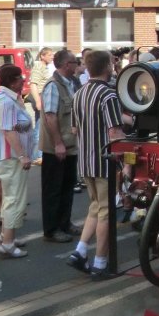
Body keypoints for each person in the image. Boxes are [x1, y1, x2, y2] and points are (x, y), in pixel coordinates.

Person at [68, 50, 127, 279]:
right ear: (108, 68)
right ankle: (100, 263)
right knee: (106, 212)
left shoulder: (79, 93)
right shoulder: (108, 95)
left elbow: (74, 129)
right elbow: (115, 132)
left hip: (85, 160)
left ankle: (80, 251)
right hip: (104, 162)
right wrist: (125, 161)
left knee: (95, 207)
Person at [0, 64, 34, 259]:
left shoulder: (6, 98)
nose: (23, 80)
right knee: (14, 199)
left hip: (6, 157)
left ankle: (7, 236)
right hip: (10, 158)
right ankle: (7, 243)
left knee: (9, 198)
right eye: (20, 77)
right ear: (13, 81)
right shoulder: (5, 101)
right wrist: (23, 155)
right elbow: (8, 130)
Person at [39, 49, 80, 243]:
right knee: (53, 189)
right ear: (66, 65)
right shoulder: (53, 86)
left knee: (67, 187)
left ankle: (65, 223)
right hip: (57, 148)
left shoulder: (71, 83)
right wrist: (57, 143)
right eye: (74, 62)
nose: (77, 65)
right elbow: (50, 116)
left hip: (70, 146)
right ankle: (52, 229)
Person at [28, 47, 55, 163]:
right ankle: (37, 155)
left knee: (42, 127)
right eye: (49, 55)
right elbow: (33, 84)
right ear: (42, 56)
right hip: (40, 96)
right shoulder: (39, 66)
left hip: (43, 96)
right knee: (39, 127)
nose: (52, 57)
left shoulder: (44, 67)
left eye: (52, 55)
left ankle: (39, 154)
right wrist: (38, 101)